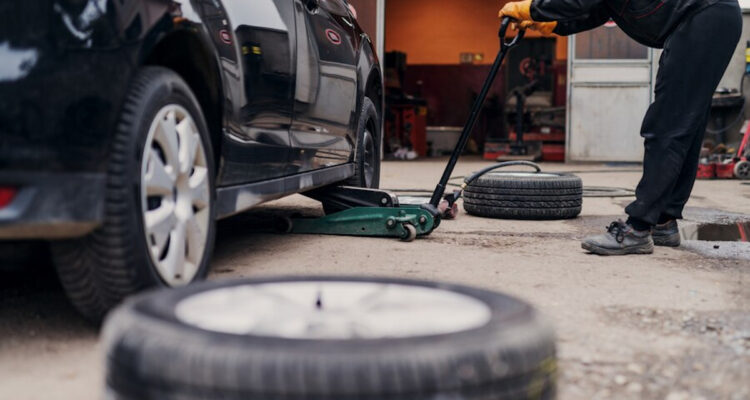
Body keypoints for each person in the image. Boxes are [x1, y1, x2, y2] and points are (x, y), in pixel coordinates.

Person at [499, 0, 742, 255]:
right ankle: (663, 221)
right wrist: (556, 24)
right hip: (706, 18)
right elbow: (598, 10)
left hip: (704, 16)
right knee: (685, 123)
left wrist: (535, 8)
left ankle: (637, 229)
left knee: (667, 125)